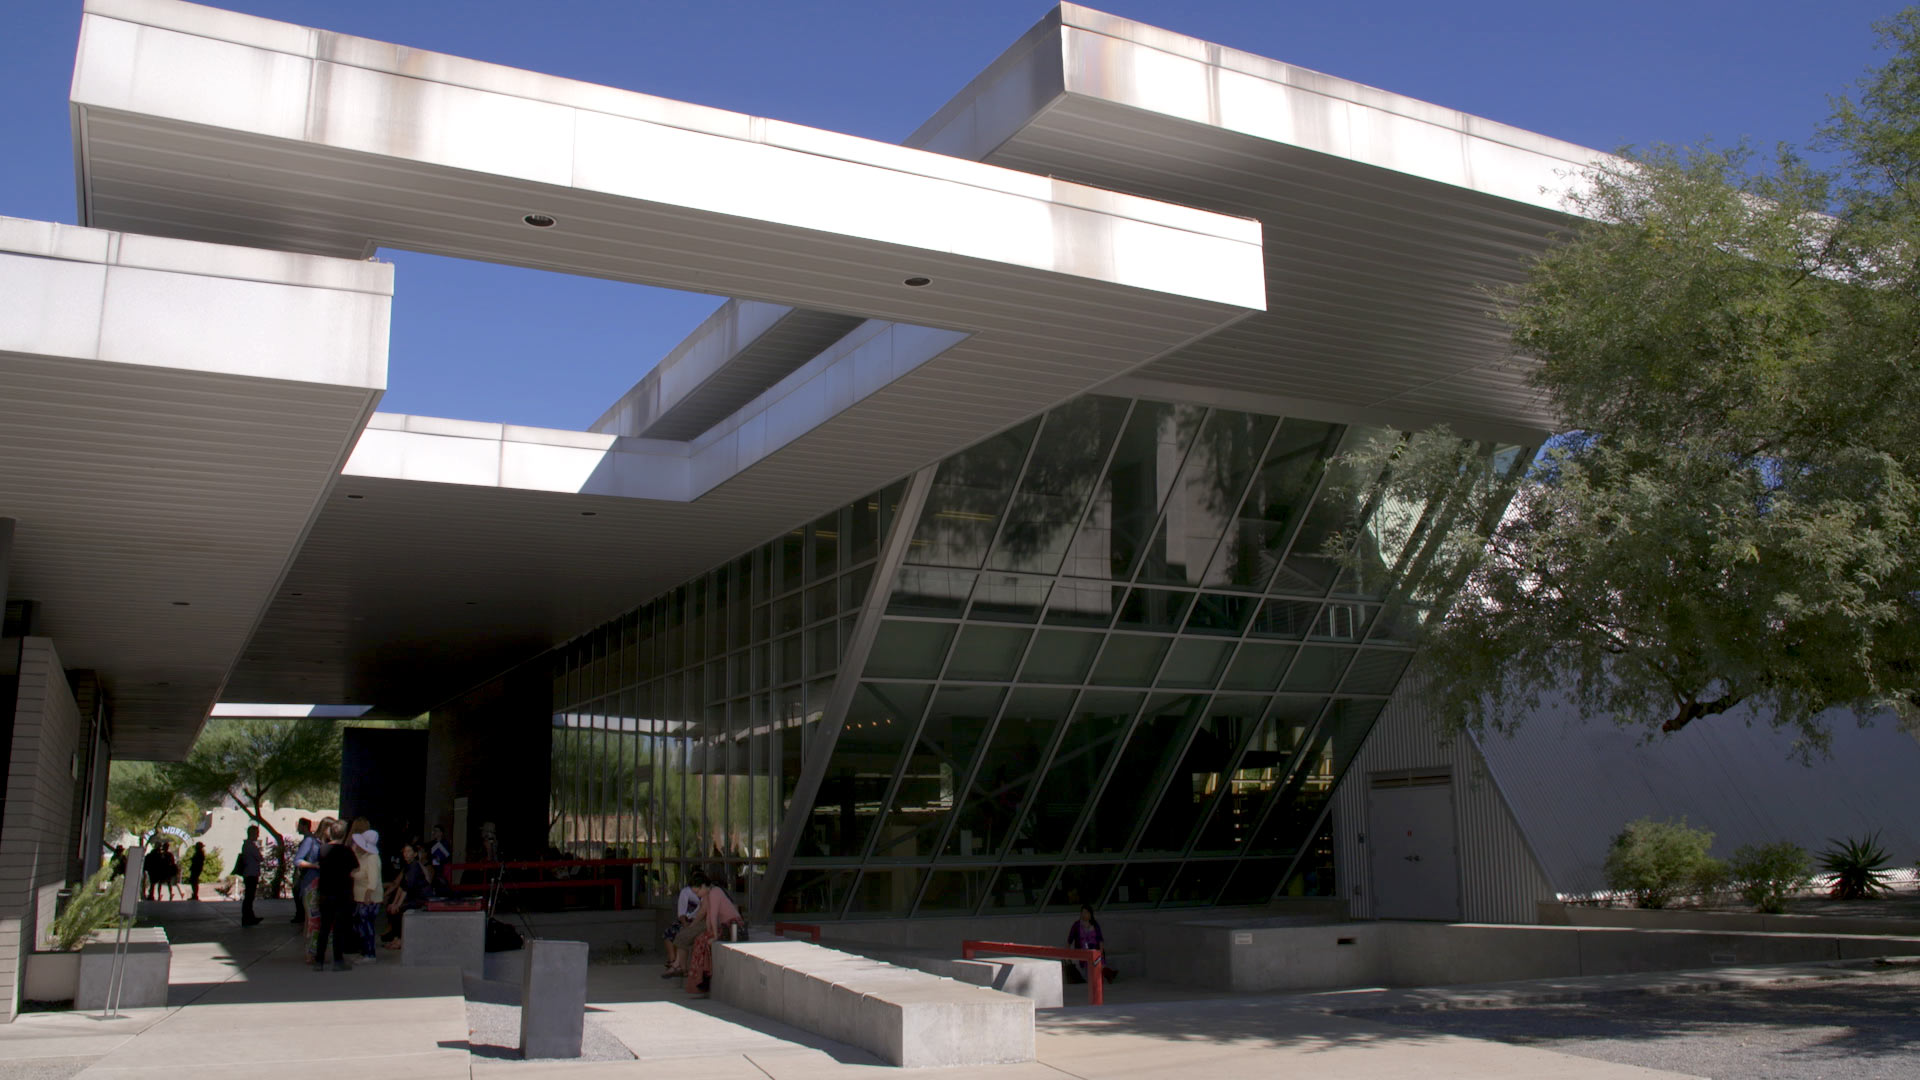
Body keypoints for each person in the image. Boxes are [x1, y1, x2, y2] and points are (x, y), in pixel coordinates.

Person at [682, 875, 743, 995]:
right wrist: (709, 932)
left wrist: (714, 936)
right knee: (700, 939)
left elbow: (714, 915)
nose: (698, 895)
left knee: (703, 941)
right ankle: (701, 978)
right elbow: (709, 918)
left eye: (698, 891)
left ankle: (703, 977)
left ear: (704, 886)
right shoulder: (708, 894)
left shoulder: (715, 892)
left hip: (732, 926)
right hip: (724, 926)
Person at [312, 821, 358, 972]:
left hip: (325, 892)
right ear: (344, 834)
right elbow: (354, 869)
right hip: (342, 893)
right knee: (339, 927)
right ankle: (338, 960)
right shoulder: (347, 851)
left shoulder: (322, 850)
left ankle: (319, 961)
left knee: (324, 927)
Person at [384, 844, 429, 949]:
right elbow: (401, 886)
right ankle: (395, 937)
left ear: (415, 854)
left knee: (400, 909)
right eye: (404, 851)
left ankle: (400, 939)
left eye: (409, 851)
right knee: (391, 908)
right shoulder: (407, 866)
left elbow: (407, 888)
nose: (406, 854)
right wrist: (394, 903)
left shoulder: (415, 866)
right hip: (412, 896)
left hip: (421, 897)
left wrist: (398, 905)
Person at [661, 871, 705, 979]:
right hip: (687, 920)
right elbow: (681, 913)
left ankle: (679, 965)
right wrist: (685, 924)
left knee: (683, 935)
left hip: (699, 921)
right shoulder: (686, 892)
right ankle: (673, 960)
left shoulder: (707, 894)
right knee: (670, 933)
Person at [350, 820, 382, 964]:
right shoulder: (364, 857)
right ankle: (365, 951)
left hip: (369, 899)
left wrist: (368, 894)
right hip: (360, 897)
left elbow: (373, 880)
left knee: (366, 926)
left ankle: (370, 954)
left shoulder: (372, 859)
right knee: (360, 925)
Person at [1064, 905, 1117, 984]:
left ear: (1090, 914)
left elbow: (1100, 939)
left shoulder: (1094, 924)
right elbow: (1069, 940)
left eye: (1086, 912)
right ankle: (1108, 973)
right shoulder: (1077, 925)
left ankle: (1107, 974)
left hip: (1095, 949)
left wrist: (1101, 951)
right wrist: (1067, 954)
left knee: (1098, 960)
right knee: (1092, 967)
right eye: (1082, 912)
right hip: (1083, 951)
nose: (1084, 914)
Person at [289, 818, 315, 925]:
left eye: (299, 825)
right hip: (304, 870)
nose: (298, 828)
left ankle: (301, 915)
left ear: (304, 826)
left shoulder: (309, 840)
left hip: (305, 871)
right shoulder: (308, 839)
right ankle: (300, 914)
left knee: (299, 892)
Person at [236, 826, 263, 926]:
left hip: (249, 873)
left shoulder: (246, 845)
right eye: (256, 833)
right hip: (251, 874)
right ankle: (247, 917)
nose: (258, 835)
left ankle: (249, 916)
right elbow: (260, 858)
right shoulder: (250, 846)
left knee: (249, 897)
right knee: (249, 897)